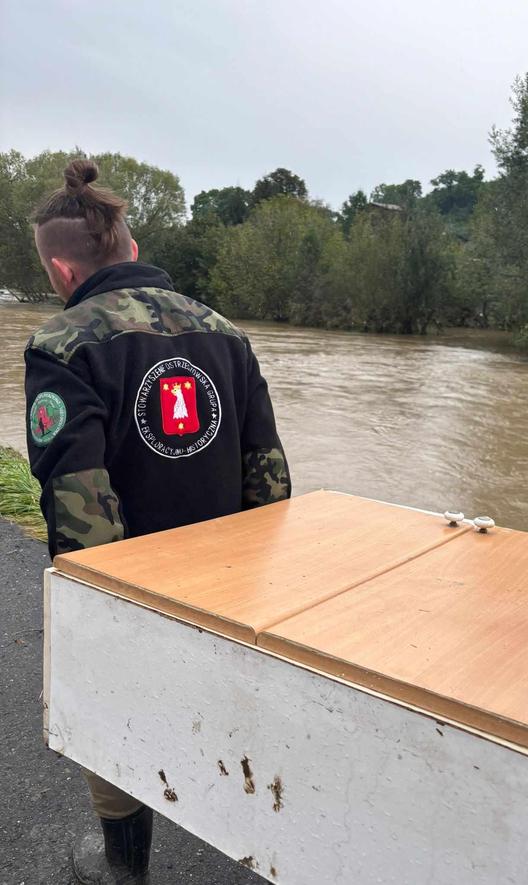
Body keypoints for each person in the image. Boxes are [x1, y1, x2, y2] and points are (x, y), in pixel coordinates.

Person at [25, 159, 291, 884]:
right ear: (133, 250)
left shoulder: (62, 347)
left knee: (111, 720)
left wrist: (108, 630)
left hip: (135, 591)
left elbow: (81, 510)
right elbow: (270, 484)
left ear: (60, 268)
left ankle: (124, 868)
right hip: (230, 591)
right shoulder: (228, 336)